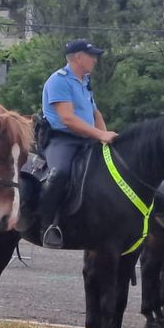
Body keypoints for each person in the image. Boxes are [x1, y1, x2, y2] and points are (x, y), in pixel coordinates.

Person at [39, 39, 116, 249]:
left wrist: (105, 134)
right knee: (60, 173)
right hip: (62, 139)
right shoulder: (59, 80)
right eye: (91, 56)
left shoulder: (84, 81)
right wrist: (100, 134)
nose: (95, 60)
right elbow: (68, 119)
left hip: (87, 138)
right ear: (78, 57)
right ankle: (46, 224)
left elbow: (94, 112)